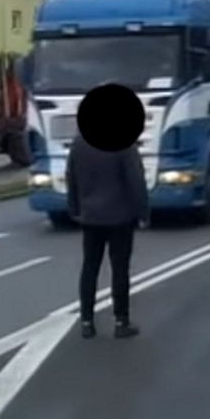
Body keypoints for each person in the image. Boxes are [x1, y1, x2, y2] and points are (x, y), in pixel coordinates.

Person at [66, 133, 150, 339]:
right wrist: (143, 212)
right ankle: (121, 321)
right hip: (120, 217)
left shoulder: (80, 141)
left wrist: (75, 208)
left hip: (90, 216)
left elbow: (71, 176)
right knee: (120, 269)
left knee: (90, 267)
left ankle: (87, 322)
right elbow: (135, 179)